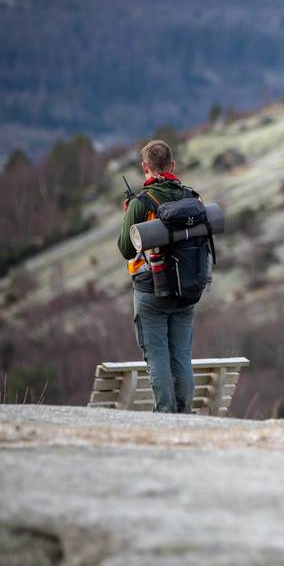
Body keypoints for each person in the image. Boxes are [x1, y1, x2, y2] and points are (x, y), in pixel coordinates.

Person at [117, 140, 201, 413]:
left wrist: (130, 215)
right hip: (186, 287)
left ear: (145, 167)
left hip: (150, 287)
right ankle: (184, 412)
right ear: (172, 165)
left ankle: (164, 414)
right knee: (182, 356)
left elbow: (126, 248)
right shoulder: (192, 197)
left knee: (157, 357)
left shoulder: (141, 203)